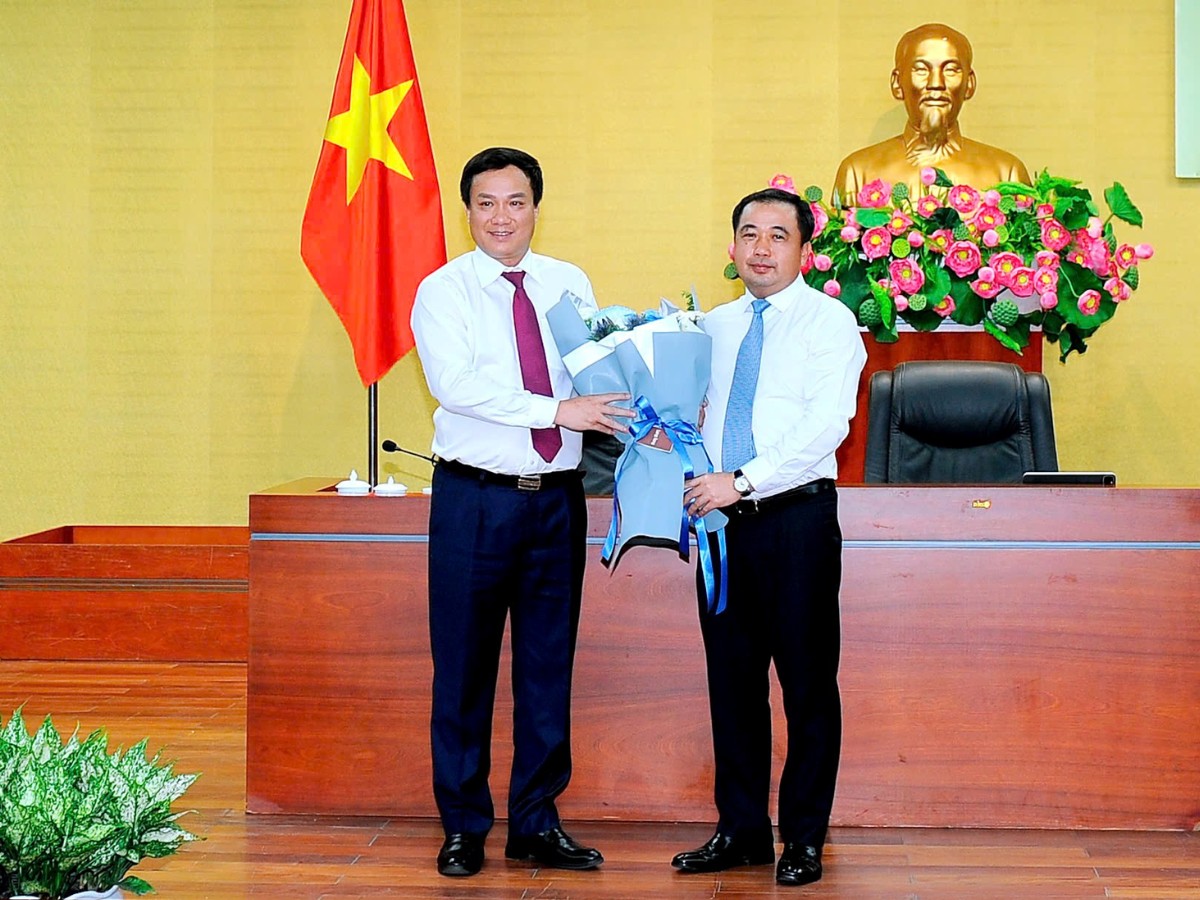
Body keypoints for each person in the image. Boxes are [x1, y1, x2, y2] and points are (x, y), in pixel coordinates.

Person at [411, 147, 632, 878]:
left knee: (546, 668)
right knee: (464, 669)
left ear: (536, 207)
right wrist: (557, 409)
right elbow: (457, 386)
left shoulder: (569, 283)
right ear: (467, 212)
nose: (501, 217)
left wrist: (646, 394)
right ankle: (463, 826)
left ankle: (536, 822)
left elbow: (595, 374)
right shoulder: (443, 291)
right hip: (475, 500)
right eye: (486, 203)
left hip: (557, 502)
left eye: (515, 202)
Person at [677, 188, 866, 886]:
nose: (761, 248)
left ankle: (804, 838)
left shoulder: (830, 323)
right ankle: (741, 831)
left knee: (807, 684)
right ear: (731, 248)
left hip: (794, 521)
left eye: (778, 236)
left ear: (805, 251)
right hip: (720, 526)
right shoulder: (711, 327)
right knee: (732, 683)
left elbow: (827, 426)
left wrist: (743, 479)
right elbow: (690, 415)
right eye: (749, 234)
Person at [833, 22, 1031, 202]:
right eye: (921, 70)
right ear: (897, 83)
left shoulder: (1006, 173)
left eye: (951, 70)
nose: (936, 83)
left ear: (969, 84)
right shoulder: (857, 173)